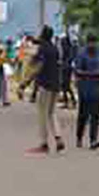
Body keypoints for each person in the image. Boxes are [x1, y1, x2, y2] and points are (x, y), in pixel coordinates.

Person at [19, 26, 65, 154]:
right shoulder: (55, 49)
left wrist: (24, 84)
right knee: (52, 112)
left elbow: (36, 68)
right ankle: (58, 137)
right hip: (56, 84)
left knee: (42, 114)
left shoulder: (42, 49)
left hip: (45, 85)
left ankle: (44, 144)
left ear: (43, 35)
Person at [75, 34, 99, 150]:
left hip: (97, 89)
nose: (93, 45)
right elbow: (77, 71)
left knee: (95, 115)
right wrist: (91, 74)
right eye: (91, 42)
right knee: (83, 115)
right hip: (84, 89)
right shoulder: (81, 53)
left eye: (94, 43)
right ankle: (79, 137)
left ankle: (93, 140)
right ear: (87, 42)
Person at [58, 35, 77, 108]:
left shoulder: (67, 49)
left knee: (65, 85)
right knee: (66, 86)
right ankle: (70, 101)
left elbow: (66, 60)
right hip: (67, 68)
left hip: (66, 68)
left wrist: (62, 63)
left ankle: (70, 101)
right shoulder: (70, 49)